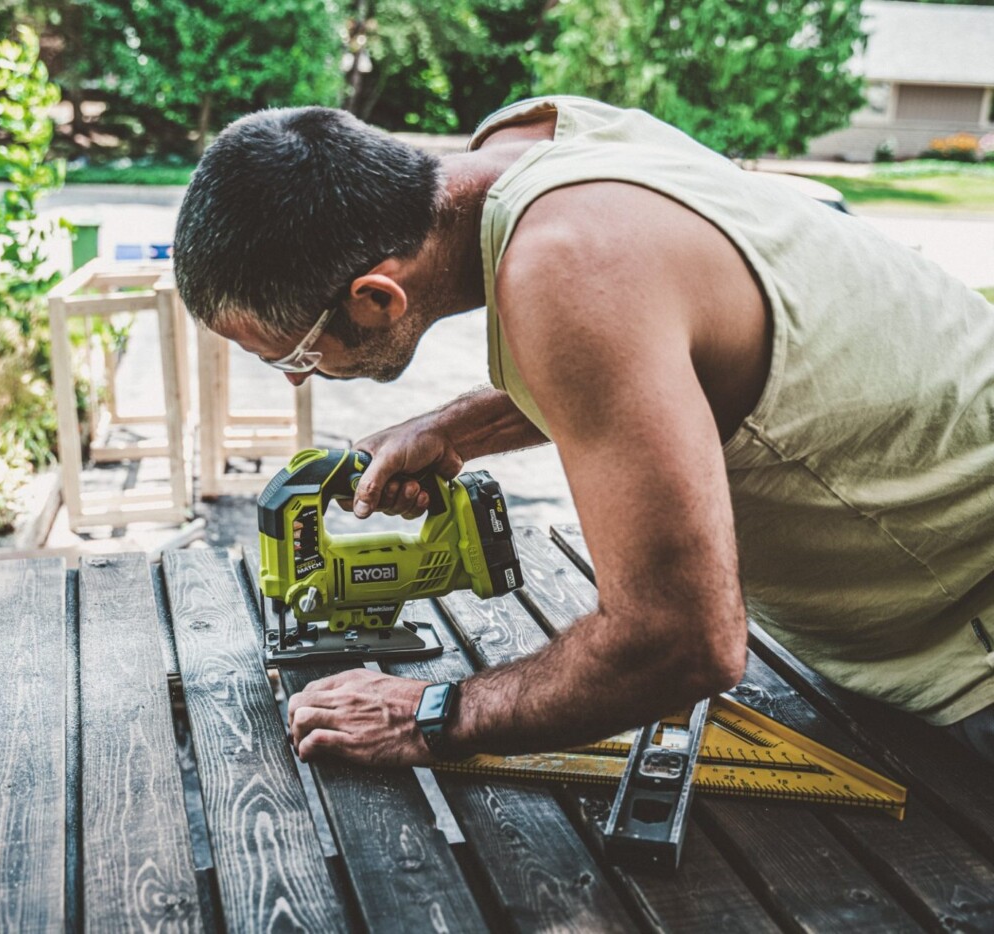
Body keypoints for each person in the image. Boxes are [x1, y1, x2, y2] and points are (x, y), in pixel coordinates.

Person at [172, 97, 994, 767]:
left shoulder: (562, 267)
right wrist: (457, 424)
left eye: (302, 355)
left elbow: (680, 642)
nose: (293, 376)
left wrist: (422, 714)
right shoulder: (534, 139)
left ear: (377, 298)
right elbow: (670, 352)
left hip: (968, 638)